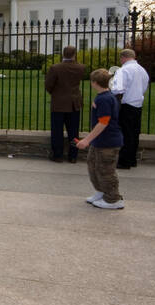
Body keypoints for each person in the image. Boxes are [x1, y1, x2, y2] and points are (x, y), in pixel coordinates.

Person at [76, 68, 124, 209]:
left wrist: (86, 140)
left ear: (94, 82)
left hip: (108, 142)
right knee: (93, 167)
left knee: (105, 170)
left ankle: (113, 199)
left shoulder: (104, 99)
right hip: (100, 141)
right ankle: (101, 192)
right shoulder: (104, 96)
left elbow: (103, 123)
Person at [44, 46, 86, 163]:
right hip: (74, 102)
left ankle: (57, 155)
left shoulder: (55, 68)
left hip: (59, 102)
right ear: (74, 54)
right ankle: (73, 155)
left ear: (63, 54)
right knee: (74, 131)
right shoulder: (81, 67)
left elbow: (48, 85)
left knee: (57, 130)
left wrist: (56, 93)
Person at [110, 48, 149, 168]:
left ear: (123, 58)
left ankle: (124, 161)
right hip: (138, 103)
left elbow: (118, 89)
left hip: (126, 104)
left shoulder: (123, 70)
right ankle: (132, 159)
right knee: (134, 132)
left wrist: (111, 86)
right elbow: (145, 86)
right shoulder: (142, 70)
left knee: (125, 133)